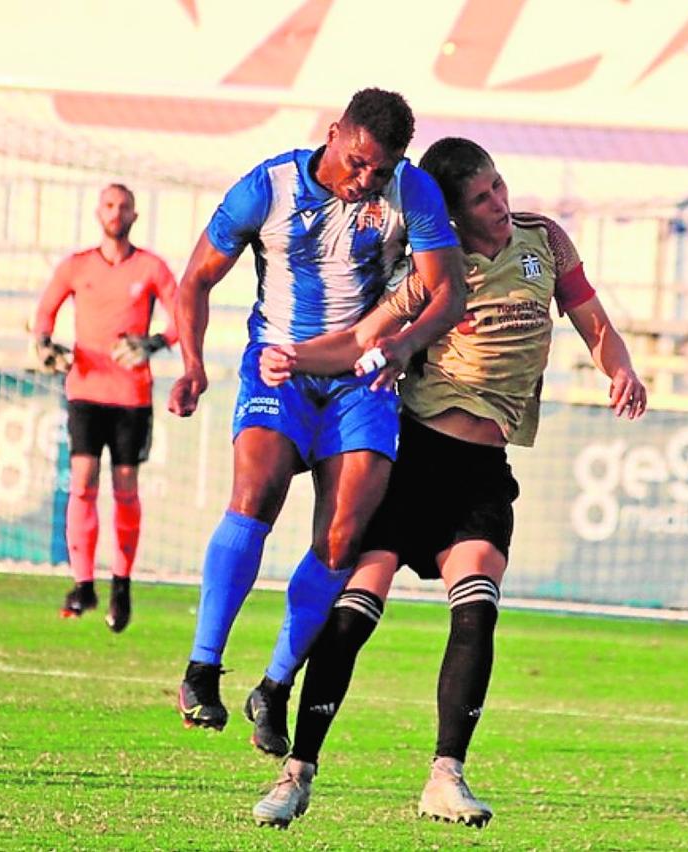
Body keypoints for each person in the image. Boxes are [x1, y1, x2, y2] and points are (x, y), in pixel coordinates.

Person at [247, 137, 647, 828]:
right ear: (453, 216)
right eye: (483, 198)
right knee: (352, 616)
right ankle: (297, 773)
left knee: (478, 606)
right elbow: (364, 335)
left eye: (499, 187)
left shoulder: (545, 242)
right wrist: (294, 355)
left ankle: (445, 776)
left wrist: (620, 368)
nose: (500, 203)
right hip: (413, 463)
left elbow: (594, 322)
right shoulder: (436, 268)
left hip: (482, 475)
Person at [168, 89, 466, 734]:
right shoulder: (267, 187)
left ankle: (276, 684)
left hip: (362, 378)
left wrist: (403, 344)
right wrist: (191, 364)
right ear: (334, 134)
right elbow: (193, 280)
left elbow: (449, 289)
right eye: (358, 162)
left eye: (380, 171)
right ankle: (201, 667)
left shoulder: (410, 192)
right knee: (257, 490)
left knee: (341, 534)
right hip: (279, 365)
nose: (367, 180)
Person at [33, 183, 178, 633]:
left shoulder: (151, 267)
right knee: (82, 480)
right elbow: (43, 316)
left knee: (126, 486)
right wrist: (44, 346)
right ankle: (82, 583)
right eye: (110, 205)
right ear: (99, 212)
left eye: (124, 206)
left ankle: (121, 583)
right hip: (85, 390)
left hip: (131, 395)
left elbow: (181, 319)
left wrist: (153, 343)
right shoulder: (77, 267)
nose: (116, 213)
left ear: (135, 214)